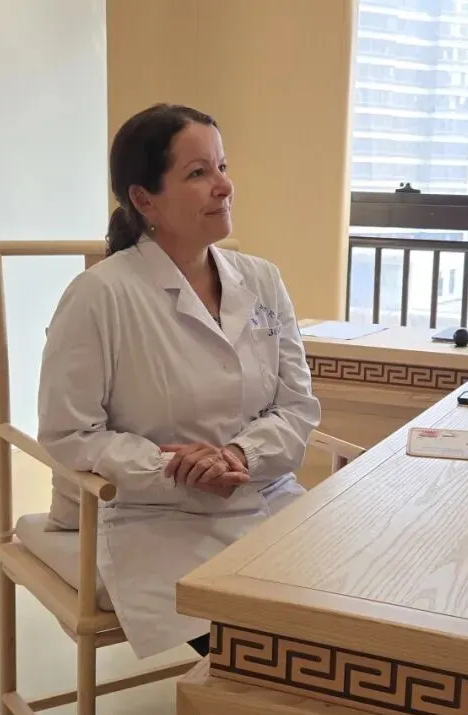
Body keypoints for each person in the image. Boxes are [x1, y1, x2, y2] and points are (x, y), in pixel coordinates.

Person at [37, 103, 321, 662]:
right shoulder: (100, 295)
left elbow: (297, 406)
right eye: (198, 173)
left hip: (267, 496)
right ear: (144, 200)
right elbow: (69, 433)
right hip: (159, 519)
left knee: (360, 613)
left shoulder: (262, 280)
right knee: (269, 652)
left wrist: (238, 454)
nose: (224, 186)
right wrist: (173, 469)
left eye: (222, 166)